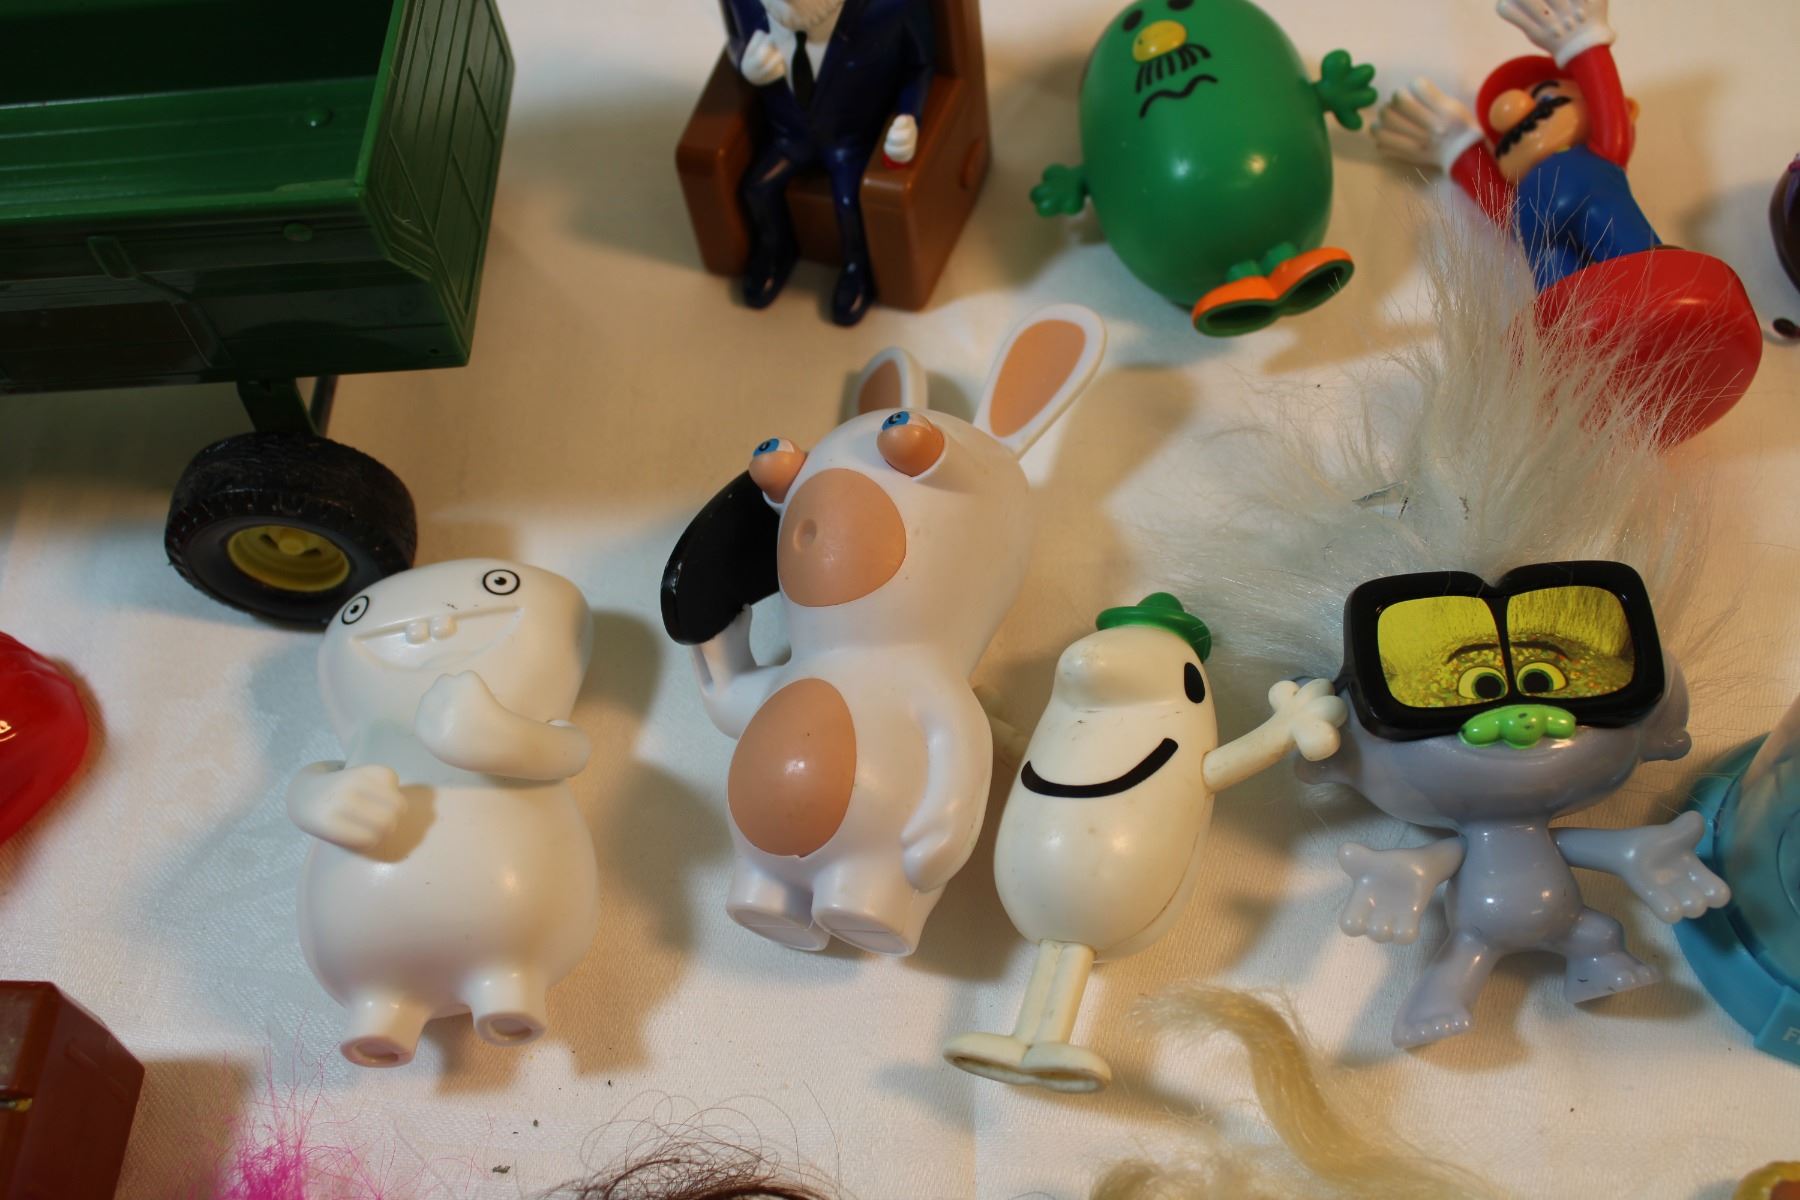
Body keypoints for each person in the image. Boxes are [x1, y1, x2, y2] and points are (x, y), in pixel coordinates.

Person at [1372, 0, 1658, 292]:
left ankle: (1655, 275)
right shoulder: (1523, 201)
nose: (1512, 112)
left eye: (1546, 98)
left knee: (1632, 251)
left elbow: (1611, 120)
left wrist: (1584, 44)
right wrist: (1455, 146)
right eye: (1504, 133)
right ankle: (1561, 309)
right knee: (1556, 285)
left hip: (1645, 268)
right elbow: (1501, 209)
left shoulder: (1599, 157)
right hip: (1558, 280)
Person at [725, 0, 933, 325]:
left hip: (851, 140)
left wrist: (909, 115)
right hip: (789, 135)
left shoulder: (888, 9)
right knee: (757, 188)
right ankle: (775, 249)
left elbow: (919, 66)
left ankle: (857, 269)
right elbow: (736, 40)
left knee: (849, 204)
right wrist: (743, 59)